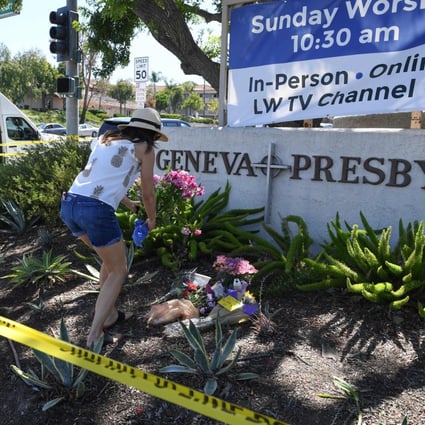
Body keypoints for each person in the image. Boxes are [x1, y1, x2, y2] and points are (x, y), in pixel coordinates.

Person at [60, 108, 168, 348]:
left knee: (109, 262)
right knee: (119, 270)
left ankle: (109, 315)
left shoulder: (105, 139)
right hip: (95, 211)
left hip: (70, 205)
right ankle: (95, 334)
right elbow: (149, 193)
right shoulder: (145, 149)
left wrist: (128, 203)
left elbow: (100, 177)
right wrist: (152, 219)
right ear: (152, 134)